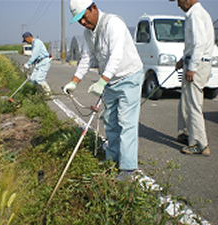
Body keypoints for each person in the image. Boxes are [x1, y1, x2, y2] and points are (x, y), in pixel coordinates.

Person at [62, 0, 144, 180]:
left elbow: (116, 55)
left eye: (84, 16)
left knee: (126, 122)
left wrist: (102, 81)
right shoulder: (88, 34)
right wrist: (74, 82)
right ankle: (112, 159)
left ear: (94, 8)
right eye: (78, 20)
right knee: (110, 121)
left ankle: (128, 168)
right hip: (111, 81)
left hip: (129, 76)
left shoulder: (113, 23)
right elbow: (86, 58)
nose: (83, 22)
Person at [170, 0, 214, 156]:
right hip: (193, 62)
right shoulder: (195, 14)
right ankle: (188, 135)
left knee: (194, 105)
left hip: (198, 65)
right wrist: (183, 59)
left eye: (179, 0)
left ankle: (200, 144)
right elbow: (193, 45)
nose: (178, 4)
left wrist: (192, 68)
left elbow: (199, 44)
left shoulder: (196, 15)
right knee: (187, 102)